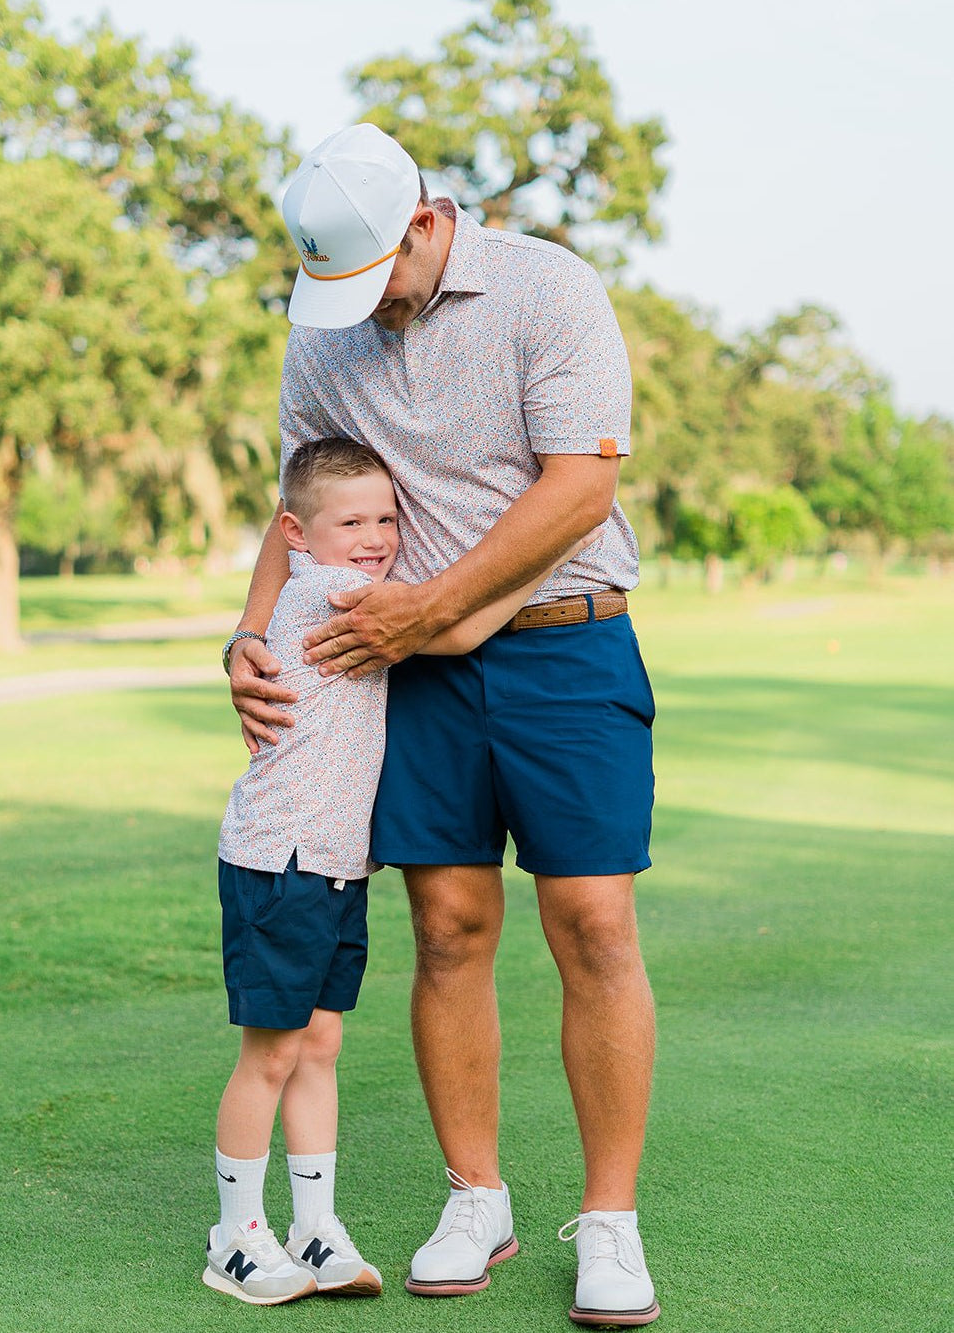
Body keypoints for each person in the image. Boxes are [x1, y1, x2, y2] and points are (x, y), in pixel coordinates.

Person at [224, 123, 660, 1328]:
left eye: (375, 276)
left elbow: (580, 487)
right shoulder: (324, 332)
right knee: (449, 922)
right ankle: (479, 1197)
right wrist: (246, 637)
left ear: (426, 222)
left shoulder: (546, 287)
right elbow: (294, 509)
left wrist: (438, 605)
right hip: (405, 664)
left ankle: (609, 1223)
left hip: (565, 644)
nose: (357, 308)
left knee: (592, 921)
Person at [208, 436, 579, 1307]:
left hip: (335, 864)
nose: (374, 535)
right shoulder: (326, 590)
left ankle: (312, 1225)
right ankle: (235, 1235)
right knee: (271, 1053)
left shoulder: (346, 575)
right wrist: (551, 556)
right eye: (350, 521)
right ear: (296, 532)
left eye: (385, 517)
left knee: (321, 1042)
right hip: (282, 856)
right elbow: (446, 629)